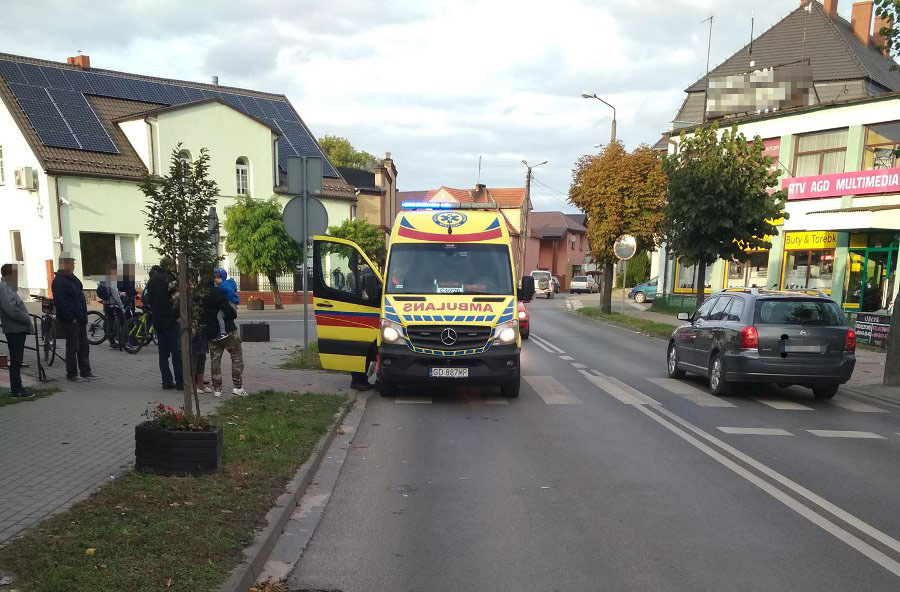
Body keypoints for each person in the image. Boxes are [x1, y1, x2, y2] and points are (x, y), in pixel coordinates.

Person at [51, 252, 98, 382]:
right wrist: (70, 317)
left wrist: (82, 316)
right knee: (73, 347)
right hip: (70, 320)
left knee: (84, 346)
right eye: (71, 263)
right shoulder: (58, 281)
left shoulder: (72, 278)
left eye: (73, 263)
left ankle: (85, 371)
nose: (73, 265)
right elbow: (60, 302)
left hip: (80, 318)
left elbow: (79, 294)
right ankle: (72, 374)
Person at [202, 272, 247, 397]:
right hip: (228, 331)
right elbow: (229, 311)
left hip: (212, 333)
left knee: (215, 361)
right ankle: (238, 387)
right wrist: (233, 313)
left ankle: (217, 389)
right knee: (236, 357)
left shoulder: (201, 296)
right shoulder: (217, 292)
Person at [143, 258, 182, 390]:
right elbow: (177, 299)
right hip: (170, 320)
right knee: (176, 351)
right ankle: (180, 381)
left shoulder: (152, 280)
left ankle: (166, 381)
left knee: (163, 353)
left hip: (157, 319)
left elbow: (147, 298)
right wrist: (178, 316)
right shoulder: (170, 279)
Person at [0, 264, 33, 397]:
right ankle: (17, 389)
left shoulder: (9, 287)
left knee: (17, 360)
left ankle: (18, 388)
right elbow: (11, 309)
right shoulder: (4, 288)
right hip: (14, 329)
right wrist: (26, 319)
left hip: (17, 329)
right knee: (16, 360)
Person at [98, 263, 125, 348]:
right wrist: (122, 307)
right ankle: (124, 340)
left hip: (106, 305)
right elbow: (116, 296)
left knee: (110, 322)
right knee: (123, 320)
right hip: (113, 305)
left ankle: (112, 342)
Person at [213, 269, 239, 341]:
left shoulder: (224, 286)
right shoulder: (224, 285)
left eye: (218, 278)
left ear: (223, 278)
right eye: (215, 278)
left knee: (219, 316)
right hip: (232, 303)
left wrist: (229, 300)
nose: (216, 279)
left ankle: (222, 332)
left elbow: (230, 293)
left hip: (231, 304)